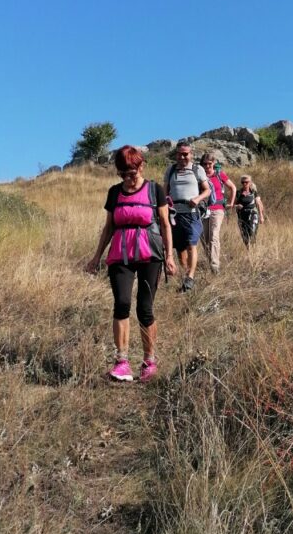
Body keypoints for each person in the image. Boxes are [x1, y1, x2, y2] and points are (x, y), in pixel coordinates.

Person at [85, 145, 176, 382]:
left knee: (145, 308)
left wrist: (169, 257)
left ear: (141, 166)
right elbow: (108, 228)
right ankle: (122, 362)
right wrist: (96, 257)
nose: (129, 176)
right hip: (120, 254)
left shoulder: (155, 190)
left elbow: (165, 224)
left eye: (132, 171)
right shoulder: (114, 193)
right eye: (123, 172)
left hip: (150, 254)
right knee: (122, 303)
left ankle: (149, 361)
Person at [163, 142, 210, 291]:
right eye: (180, 154)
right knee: (180, 248)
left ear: (191, 154)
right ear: (176, 154)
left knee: (191, 244)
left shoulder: (198, 169)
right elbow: (164, 192)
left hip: (192, 214)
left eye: (186, 154)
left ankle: (190, 277)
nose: (182, 157)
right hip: (174, 214)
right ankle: (185, 279)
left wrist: (197, 199)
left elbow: (207, 190)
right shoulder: (170, 170)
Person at [199, 152, 236, 275]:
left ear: (214, 163)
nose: (207, 166)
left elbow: (233, 187)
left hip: (218, 208)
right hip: (203, 210)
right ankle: (211, 261)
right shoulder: (199, 176)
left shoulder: (219, 175)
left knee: (214, 235)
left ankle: (215, 266)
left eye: (209, 163)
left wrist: (231, 202)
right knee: (204, 238)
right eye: (205, 164)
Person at [234, 175, 265, 247]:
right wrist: (237, 206)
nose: (244, 184)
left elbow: (259, 203)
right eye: (243, 182)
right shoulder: (238, 193)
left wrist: (261, 216)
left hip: (253, 214)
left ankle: (253, 248)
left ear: (250, 183)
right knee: (244, 234)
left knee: (252, 232)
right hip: (242, 216)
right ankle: (248, 249)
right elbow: (232, 204)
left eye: (246, 182)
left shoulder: (254, 192)